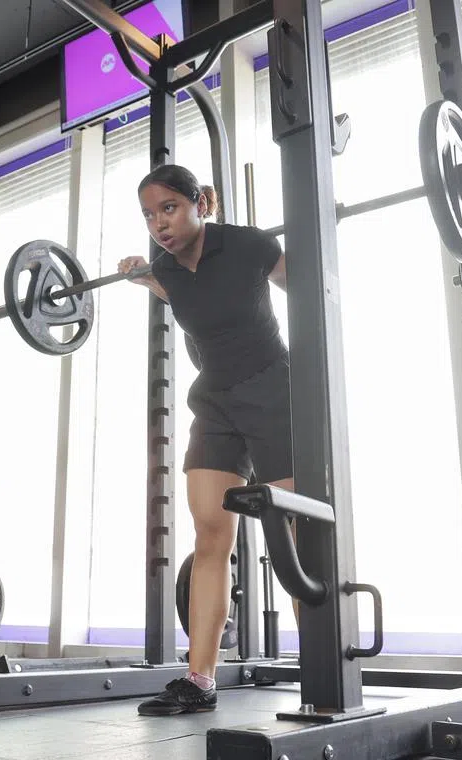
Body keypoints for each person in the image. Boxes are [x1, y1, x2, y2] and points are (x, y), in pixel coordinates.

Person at [120, 165, 292, 716]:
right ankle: (200, 680)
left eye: (169, 208)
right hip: (215, 401)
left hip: (273, 392)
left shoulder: (249, 245)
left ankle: (327, 666)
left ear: (202, 203)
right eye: (149, 215)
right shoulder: (167, 270)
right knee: (211, 533)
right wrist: (143, 277)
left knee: (296, 535)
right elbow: (182, 296)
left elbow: (314, 290)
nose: (159, 224)